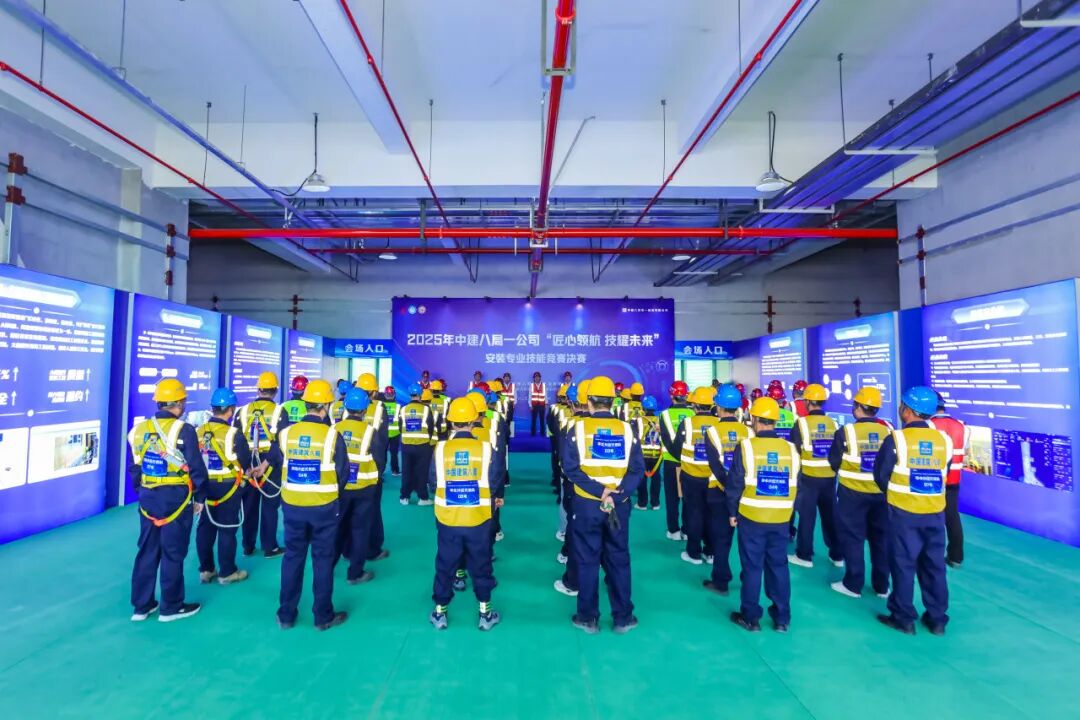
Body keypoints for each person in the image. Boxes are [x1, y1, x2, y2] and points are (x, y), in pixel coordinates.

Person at [561, 376, 645, 634]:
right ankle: (623, 618)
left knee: (587, 560)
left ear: (589, 402)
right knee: (619, 558)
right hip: (618, 506)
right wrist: (617, 495)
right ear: (613, 401)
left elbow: (570, 469)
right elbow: (637, 469)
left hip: (587, 505)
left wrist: (600, 491)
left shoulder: (577, 429)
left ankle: (587, 618)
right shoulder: (627, 430)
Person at [269, 379, 349, 630]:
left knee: (292, 557)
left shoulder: (286, 434)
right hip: (324, 507)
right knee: (323, 560)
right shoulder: (332, 436)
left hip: (293, 506)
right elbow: (343, 473)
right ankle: (322, 616)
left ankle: (286, 614)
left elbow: (277, 461)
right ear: (325, 406)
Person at [128, 378, 209, 622]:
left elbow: (135, 467)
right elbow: (196, 468)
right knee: (173, 552)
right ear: (179, 403)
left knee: (147, 550)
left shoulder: (138, 430)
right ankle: (171, 606)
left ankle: (141, 606)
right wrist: (200, 497)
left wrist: (143, 491)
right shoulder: (184, 430)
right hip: (176, 498)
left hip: (148, 498)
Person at [874, 386, 952, 636]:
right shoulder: (944, 440)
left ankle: (903, 617)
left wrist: (896, 493)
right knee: (934, 566)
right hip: (935, 513)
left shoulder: (896, 439)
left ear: (907, 410)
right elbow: (945, 471)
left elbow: (881, 475)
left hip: (904, 513)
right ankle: (937, 619)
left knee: (903, 564)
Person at [427, 397, 504, 631]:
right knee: (481, 565)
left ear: (451, 422)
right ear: (474, 420)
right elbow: (495, 480)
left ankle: (440, 613)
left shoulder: (440, 449)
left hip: (448, 519)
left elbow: (433, 482)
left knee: (445, 564)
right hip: (478, 519)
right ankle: (485, 614)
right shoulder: (486, 449)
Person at [725, 396, 799, 633]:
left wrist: (732, 512)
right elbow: (798, 484)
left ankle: (750, 618)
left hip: (752, 517)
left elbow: (735, 483)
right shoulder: (791, 449)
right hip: (781, 518)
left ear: (755, 420)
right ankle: (782, 618)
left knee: (752, 567)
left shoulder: (746, 447)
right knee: (779, 566)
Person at [829, 387, 890, 599]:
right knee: (880, 539)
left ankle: (853, 584)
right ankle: (882, 586)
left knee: (853, 538)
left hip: (852, 494)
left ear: (857, 407)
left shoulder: (846, 432)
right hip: (881, 495)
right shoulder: (888, 432)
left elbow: (834, 462)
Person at [196, 387, 257, 587]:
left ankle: (206, 569)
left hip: (204, 487)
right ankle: (227, 572)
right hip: (228, 488)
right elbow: (245, 460)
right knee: (227, 528)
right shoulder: (233, 434)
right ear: (230, 410)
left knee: (205, 527)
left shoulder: (198, 431)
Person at [701, 384, 751, 596]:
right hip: (745, 493)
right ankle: (748, 581)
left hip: (719, 492)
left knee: (721, 539)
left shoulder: (712, 432)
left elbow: (715, 465)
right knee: (748, 541)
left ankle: (721, 580)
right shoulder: (748, 431)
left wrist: (729, 489)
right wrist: (737, 490)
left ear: (719, 407)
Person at [334, 387, 387, 585]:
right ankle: (355, 573)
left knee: (339, 525)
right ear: (365, 410)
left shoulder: (335, 429)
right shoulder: (370, 432)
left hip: (340, 488)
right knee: (360, 529)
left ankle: (336, 559)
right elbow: (380, 461)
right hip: (364, 489)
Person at [788, 383, 843, 569]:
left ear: (808, 401)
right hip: (829, 478)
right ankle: (837, 555)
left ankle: (804, 555)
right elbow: (837, 451)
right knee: (830, 516)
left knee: (807, 517)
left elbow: (795, 448)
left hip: (808, 477)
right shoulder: (833, 423)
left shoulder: (801, 423)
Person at [671, 386, 725, 566]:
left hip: (692, 477)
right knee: (712, 515)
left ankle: (693, 553)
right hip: (714, 479)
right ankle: (710, 552)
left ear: (694, 405)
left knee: (694, 514)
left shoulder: (687, 423)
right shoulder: (719, 424)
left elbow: (677, 448)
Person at [237, 371, 285, 558]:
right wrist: (265, 464)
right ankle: (269, 547)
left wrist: (246, 467)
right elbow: (281, 442)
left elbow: (237, 441)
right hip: (270, 465)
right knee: (270, 507)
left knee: (249, 506)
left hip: (249, 466)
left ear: (258, 389)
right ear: (275, 391)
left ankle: (248, 546)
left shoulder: (242, 411)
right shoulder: (279, 412)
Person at [554, 380, 589, 597]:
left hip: (576, 484)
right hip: (609, 491)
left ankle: (569, 560)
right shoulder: (620, 426)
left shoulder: (572, 425)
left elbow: (565, 458)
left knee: (574, 522)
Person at [929, 392, 968, 568]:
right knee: (952, 517)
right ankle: (955, 557)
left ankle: (931, 555)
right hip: (954, 478)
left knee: (931, 517)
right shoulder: (961, 426)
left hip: (935, 478)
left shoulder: (929, 425)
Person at [355, 372, 391, 563]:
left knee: (348, 511)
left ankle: (348, 550)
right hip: (370, 468)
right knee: (371, 510)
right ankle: (372, 549)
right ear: (375, 392)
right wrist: (379, 470)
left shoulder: (344, 407)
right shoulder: (379, 409)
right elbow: (381, 443)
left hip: (347, 469)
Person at [659, 380, 694, 541]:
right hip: (689, 463)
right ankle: (686, 530)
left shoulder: (664, 415)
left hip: (670, 462)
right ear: (686, 396)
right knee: (688, 498)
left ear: (671, 395)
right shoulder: (693, 414)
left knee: (671, 498)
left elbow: (666, 440)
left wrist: (676, 456)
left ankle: (673, 530)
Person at [399, 382, 436, 505]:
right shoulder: (426, 409)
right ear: (420, 394)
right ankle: (423, 498)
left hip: (406, 445)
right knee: (422, 472)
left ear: (409, 394)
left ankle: (404, 497)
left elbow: (400, 427)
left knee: (406, 472)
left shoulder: (403, 409)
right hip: (423, 446)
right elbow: (431, 428)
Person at [634, 396, 664, 511]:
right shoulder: (660, 420)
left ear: (643, 408)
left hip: (642, 455)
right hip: (657, 455)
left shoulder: (639, 420)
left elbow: (634, 437)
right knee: (656, 478)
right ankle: (655, 503)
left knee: (642, 478)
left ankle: (642, 503)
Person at [548, 383, 570, 500]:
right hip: (563, 441)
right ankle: (558, 483)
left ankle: (557, 482)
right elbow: (550, 423)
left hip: (557, 440)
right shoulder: (556, 408)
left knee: (557, 460)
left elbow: (550, 423)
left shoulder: (555, 408)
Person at [383, 386, 401, 477]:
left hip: (383, 433)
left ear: (385, 395)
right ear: (394, 395)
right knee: (394, 453)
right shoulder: (398, 406)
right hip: (395, 433)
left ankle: (381, 471)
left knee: (383, 453)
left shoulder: (381, 406)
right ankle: (395, 470)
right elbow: (401, 421)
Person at [530, 372, 547, 436]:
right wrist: (530, 405)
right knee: (533, 420)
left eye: (538, 377)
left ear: (540, 378)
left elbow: (546, 395)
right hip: (534, 405)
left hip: (542, 405)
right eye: (535, 377)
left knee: (542, 420)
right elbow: (530, 396)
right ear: (534, 378)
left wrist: (546, 403)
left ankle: (542, 432)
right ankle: (533, 433)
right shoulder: (532, 385)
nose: (537, 378)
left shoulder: (544, 385)